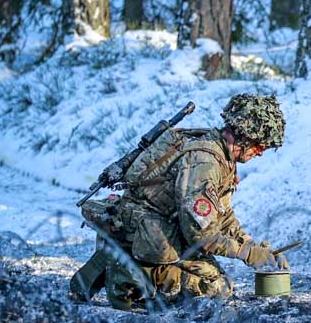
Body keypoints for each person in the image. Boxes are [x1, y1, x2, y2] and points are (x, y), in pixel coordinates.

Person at [70, 94, 289, 310]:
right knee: (214, 288)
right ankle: (126, 274)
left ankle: (125, 262)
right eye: (260, 147)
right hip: (149, 230)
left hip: (156, 224)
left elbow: (222, 216)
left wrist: (253, 246)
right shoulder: (206, 162)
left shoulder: (218, 152)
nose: (260, 154)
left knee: (218, 284)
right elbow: (200, 234)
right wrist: (247, 254)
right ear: (244, 137)